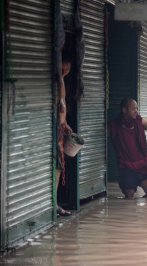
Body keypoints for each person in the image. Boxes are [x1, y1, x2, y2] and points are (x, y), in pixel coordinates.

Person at [108, 98, 147, 199]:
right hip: (126, 167)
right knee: (129, 197)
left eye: (137, 108)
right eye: (133, 109)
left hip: (143, 165)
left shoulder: (140, 121)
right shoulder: (115, 125)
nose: (136, 111)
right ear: (124, 110)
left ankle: (141, 211)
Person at [56, 57, 73, 216]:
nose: (65, 72)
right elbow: (59, 104)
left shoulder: (61, 81)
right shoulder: (56, 81)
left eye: (67, 69)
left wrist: (65, 122)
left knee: (59, 165)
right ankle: (53, 203)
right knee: (56, 165)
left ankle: (54, 202)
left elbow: (62, 105)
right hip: (55, 130)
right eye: (63, 69)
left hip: (60, 128)